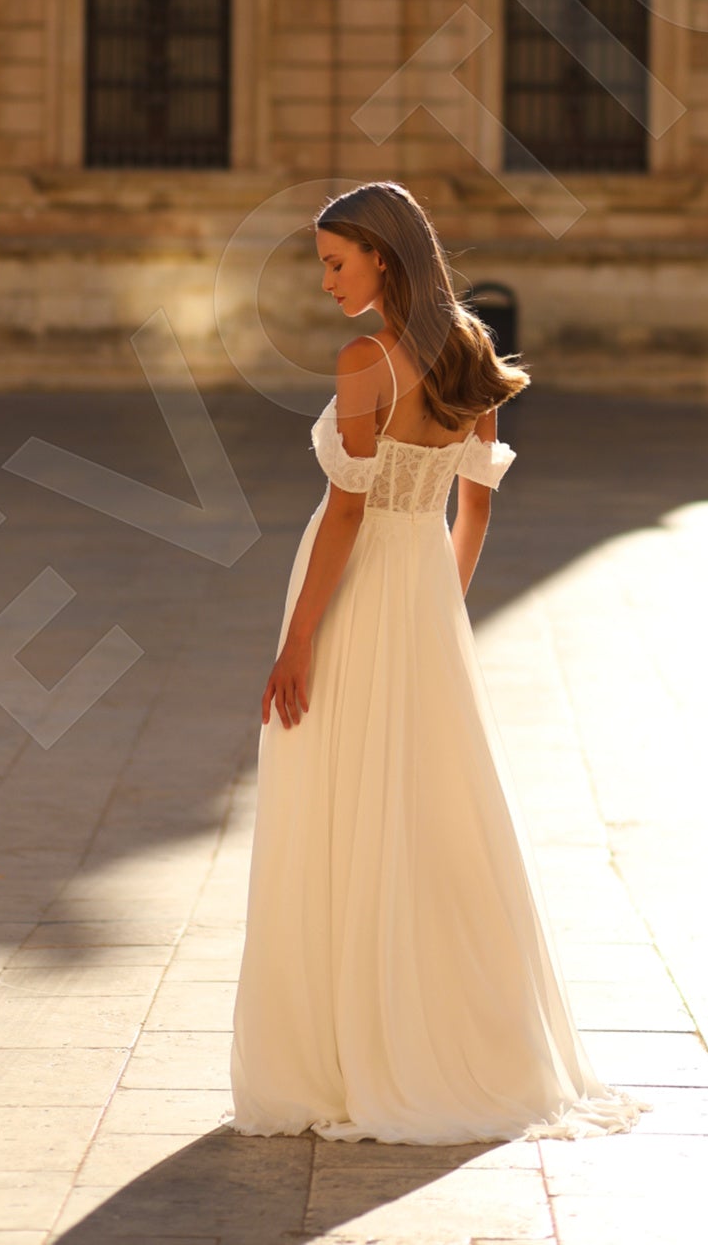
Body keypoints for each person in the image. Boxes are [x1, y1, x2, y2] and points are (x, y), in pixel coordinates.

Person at [226, 180, 652, 1145]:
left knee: (337, 805)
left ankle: (344, 1054)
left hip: (355, 592)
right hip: (420, 595)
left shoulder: (366, 360)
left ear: (383, 255)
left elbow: (346, 512)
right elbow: (479, 503)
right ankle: (463, 1039)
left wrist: (297, 641)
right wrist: (439, 610)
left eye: (337, 260)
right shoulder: (468, 346)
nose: (326, 279)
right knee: (431, 813)